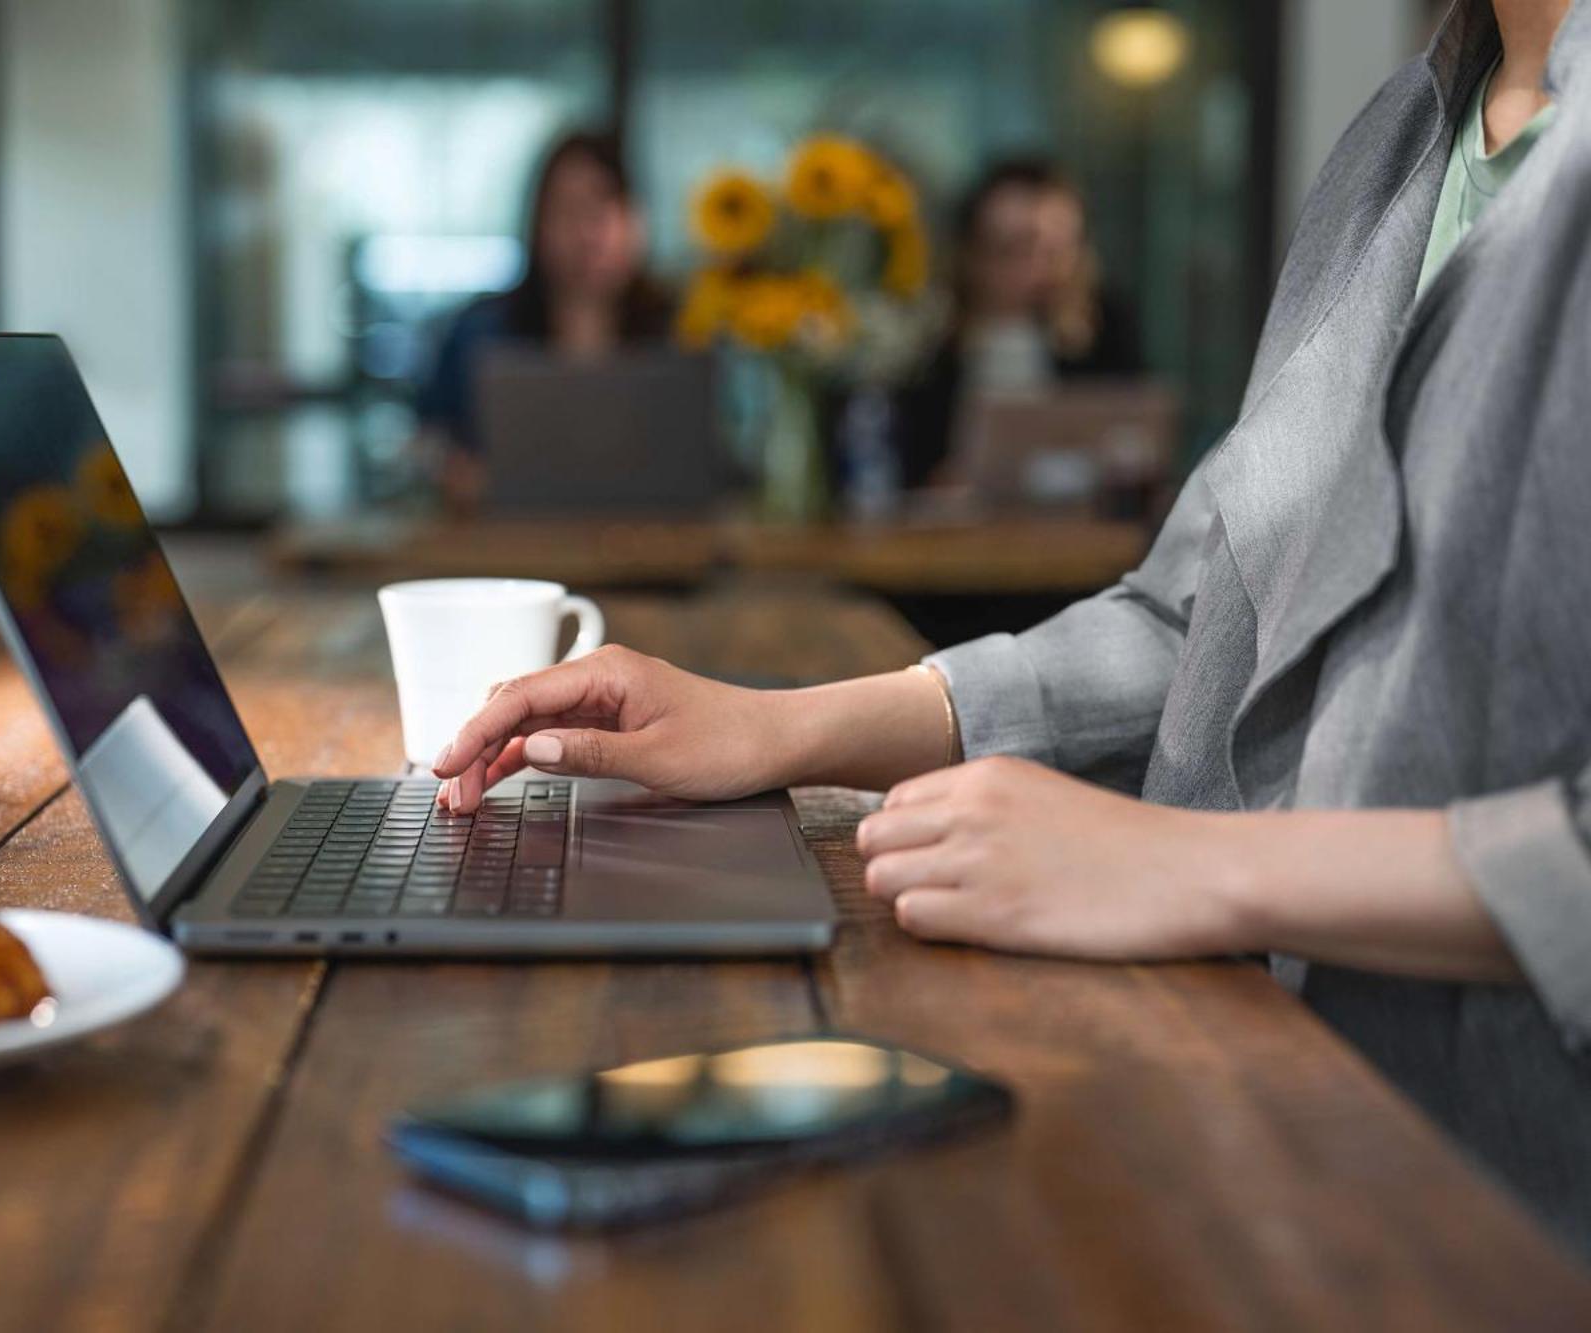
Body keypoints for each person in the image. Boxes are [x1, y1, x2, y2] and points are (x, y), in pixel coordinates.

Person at [433, 0, 1591, 1253]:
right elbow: (1195, 615)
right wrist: (779, 727)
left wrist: (1188, 869)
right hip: (1261, 1117)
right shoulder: (1398, 146)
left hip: (1498, 1210)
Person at [414, 130, 671, 509]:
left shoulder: (679, 334)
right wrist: (454, 473)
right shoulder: (479, 333)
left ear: (636, 221)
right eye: (568, 210)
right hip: (505, 552)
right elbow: (425, 443)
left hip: (651, 552)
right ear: (537, 224)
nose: (588, 234)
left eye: (603, 208)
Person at [898, 158, 1143, 487]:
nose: (1041, 271)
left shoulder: (1105, 329)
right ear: (972, 257)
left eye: (1057, 251)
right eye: (1015, 250)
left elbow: (1136, 439)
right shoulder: (928, 346)